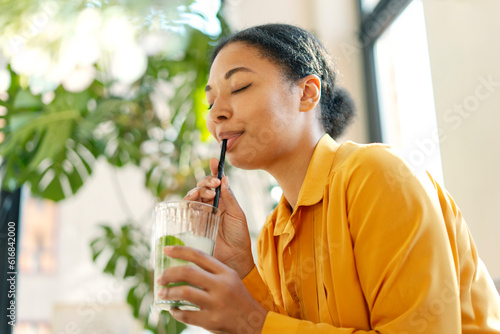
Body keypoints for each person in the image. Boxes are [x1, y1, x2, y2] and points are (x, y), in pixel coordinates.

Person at [155, 23, 500, 333]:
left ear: (307, 93)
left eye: (240, 86)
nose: (216, 113)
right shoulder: (273, 234)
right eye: (211, 101)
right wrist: (241, 266)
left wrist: (255, 324)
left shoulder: (377, 175)